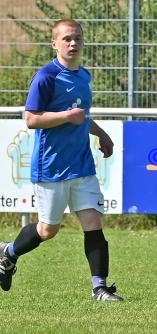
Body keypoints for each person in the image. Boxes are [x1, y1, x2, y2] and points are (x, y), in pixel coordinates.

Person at [0, 19, 123, 301]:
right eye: (67, 38)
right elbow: (31, 119)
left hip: (82, 165)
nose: (73, 43)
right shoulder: (46, 77)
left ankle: (100, 288)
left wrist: (101, 134)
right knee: (48, 230)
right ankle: (8, 253)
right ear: (54, 43)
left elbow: (82, 116)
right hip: (51, 168)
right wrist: (66, 117)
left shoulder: (84, 76)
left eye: (77, 38)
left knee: (93, 222)